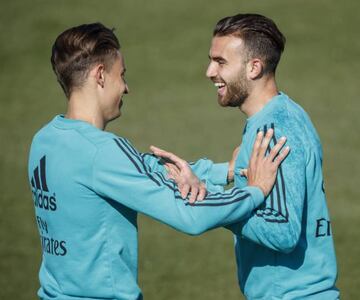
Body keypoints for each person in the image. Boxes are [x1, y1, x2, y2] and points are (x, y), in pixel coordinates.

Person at [27, 23, 289, 300]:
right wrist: (254, 190)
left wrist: (226, 171)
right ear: (100, 75)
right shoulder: (101, 151)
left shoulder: (44, 139)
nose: (125, 88)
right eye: (122, 75)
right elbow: (189, 215)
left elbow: (146, 169)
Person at [154, 13, 339, 300]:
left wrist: (211, 198)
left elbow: (282, 232)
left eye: (221, 62)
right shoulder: (284, 114)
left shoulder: (273, 131)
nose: (209, 72)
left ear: (254, 67)